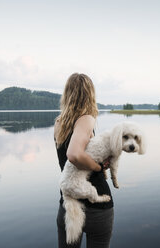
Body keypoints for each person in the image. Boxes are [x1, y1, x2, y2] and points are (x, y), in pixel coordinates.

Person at [54, 73, 114, 248]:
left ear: (67, 94)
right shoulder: (87, 119)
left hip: (68, 203)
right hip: (97, 209)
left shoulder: (59, 123)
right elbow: (73, 155)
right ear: (90, 94)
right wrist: (98, 166)